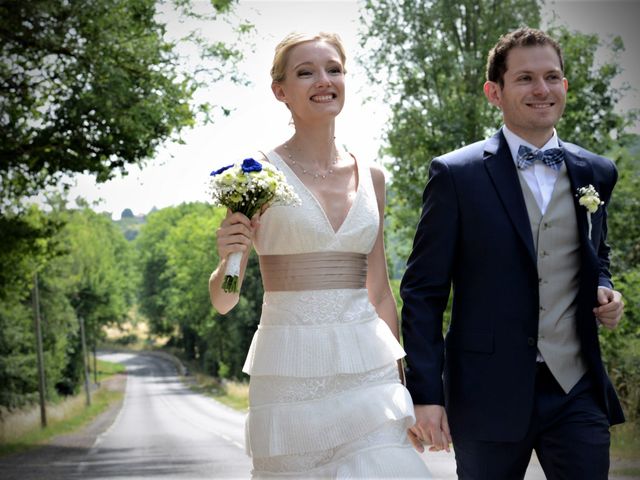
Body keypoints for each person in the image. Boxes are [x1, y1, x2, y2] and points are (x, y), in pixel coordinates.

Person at [400, 27, 625, 479]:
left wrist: (604, 287)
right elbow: (423, 293)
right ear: (494, 92)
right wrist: (426, 395)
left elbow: (595, 253)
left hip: (575, 388)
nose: (542, 89)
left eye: (552, 76)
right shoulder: (455, 175)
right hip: (485, 392)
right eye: (525, 78)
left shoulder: (597, 172)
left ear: (565, 85)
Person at [209, 32, 431, 478]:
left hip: (368, 370)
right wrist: (228, 257)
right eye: (305, 72)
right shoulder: (254, 175)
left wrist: (402, 387)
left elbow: (380, 293)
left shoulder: (372, 176)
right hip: (290, 371)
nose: (323, 80)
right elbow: (224, 298)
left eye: (333, 69)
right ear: (281, 91)